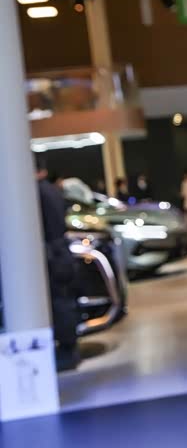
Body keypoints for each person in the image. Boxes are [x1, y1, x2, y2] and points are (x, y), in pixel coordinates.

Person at [35, 156, 81, 371]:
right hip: (61, 252)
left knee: (58, 302)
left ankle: (66, 352)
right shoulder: (52, 191)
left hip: (52, 255)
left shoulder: (36, 193)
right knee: (63, 301)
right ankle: (69, 348)